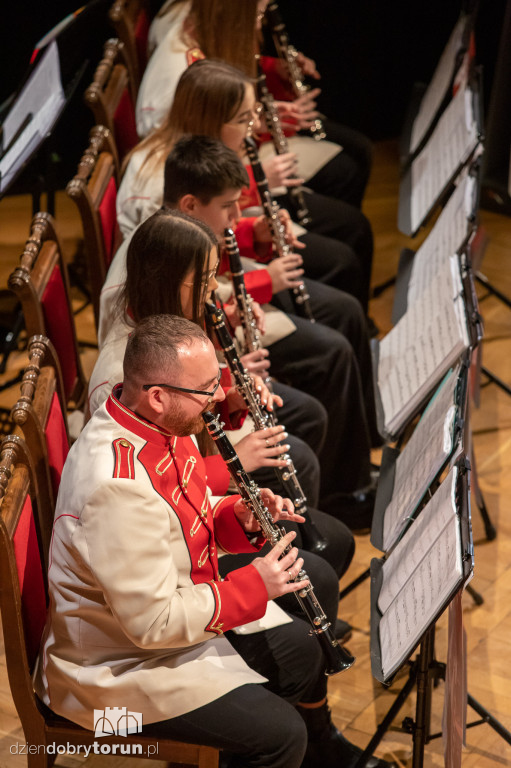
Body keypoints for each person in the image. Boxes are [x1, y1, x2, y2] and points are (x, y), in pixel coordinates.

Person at [35, 314, 395, 768]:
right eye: (206, 390)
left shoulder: (158, 422)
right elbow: (153, 625)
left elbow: (186, 508)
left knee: (301, 656)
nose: (219, 398)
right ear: (158, 395)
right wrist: (254, 586)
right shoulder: (114, 488)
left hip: (161, 623)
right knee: (282, 737)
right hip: (108, 686)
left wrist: (237, 516)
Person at [90, 208, 356, 575]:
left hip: (199, 494)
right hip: (172, 539)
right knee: (310, 552)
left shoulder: (174, 325)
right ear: (166, 281)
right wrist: (231, 465)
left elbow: (184, 429)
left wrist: (229, 401)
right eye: (205, 279)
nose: (214, 289)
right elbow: (149, 486)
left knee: (327, 526)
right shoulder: (122, 373)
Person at [132, 52, 373, 311]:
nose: (257, 125)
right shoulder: (163, 186)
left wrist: (255, 233)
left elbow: (215, 227)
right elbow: (186, 283)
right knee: (341, 281)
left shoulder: (195, 153)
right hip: (207, 302)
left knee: (348, 245)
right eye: (245, 119)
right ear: (210, 122)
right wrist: (263, 280)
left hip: (222, 272)